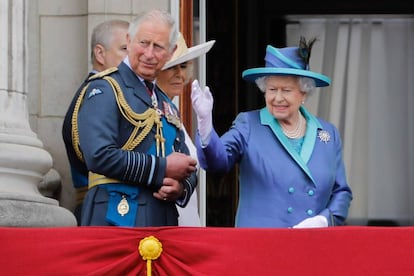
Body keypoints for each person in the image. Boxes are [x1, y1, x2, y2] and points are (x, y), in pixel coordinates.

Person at [191, 37, 353, 228]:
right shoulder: (249, 125)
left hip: (312, 245)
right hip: (261, 246)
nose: (277, 98)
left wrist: (325, 219)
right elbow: (217, 162)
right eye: (272, 89)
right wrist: (205, 125)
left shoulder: (327, 134)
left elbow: (342, 193)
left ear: (304, 93)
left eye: (286, 90)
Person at [73, 9, 198, 227]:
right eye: (144, 43)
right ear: (129, 41)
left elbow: (186, 162)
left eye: (158, 47)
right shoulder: (106, 88)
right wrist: (162, 169)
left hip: (163, 221)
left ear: (170, 52)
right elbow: (98, 155)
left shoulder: (165, 101)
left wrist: (181, 188)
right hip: (116, 217)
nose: (149, 54)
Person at [62, 19, 129, 225]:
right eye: (125, 49)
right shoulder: (98, 94)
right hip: (106, 208)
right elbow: (100, 156)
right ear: (100, 54)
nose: (134, 57)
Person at [157, 33, 215, 226]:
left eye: (183, 67)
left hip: (185, 219)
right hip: (161, 222)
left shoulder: (172, 111)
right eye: (171, 67)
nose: (179, 75)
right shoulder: (149, 111)